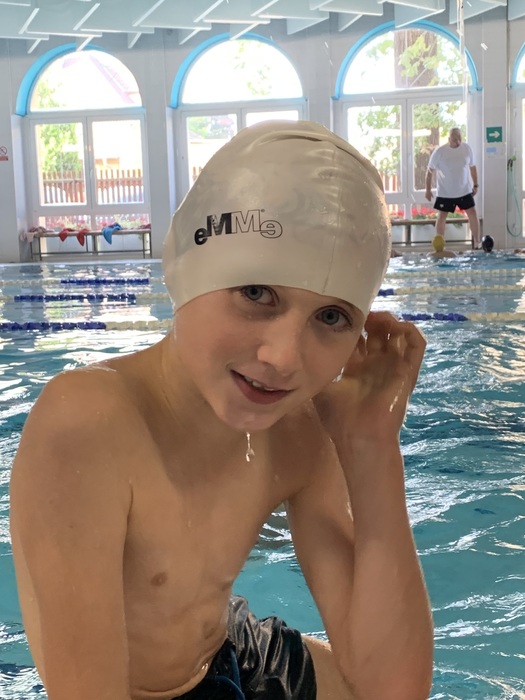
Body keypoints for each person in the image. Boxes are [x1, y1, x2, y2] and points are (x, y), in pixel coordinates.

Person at [9, 121, 433, 700]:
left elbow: (393, 689)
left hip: (231, 647)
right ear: (187, 268)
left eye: (331, 317)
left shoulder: (296, 431)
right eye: (256, 293)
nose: (284, 358)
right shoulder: (88, 425)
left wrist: (372, 446)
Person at [425, 127, 481, 249]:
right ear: (449, 139)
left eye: (460, 138)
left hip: (464, 190)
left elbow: (472, 167)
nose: (458, 142)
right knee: (442, 216)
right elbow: (429, 171)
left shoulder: (467, 149)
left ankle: (477, 242)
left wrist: (476, 184)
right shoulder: (440, 152)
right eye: (455, 139)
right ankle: (439, 246)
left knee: (472, 213)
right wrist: (428, 190)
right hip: (445, 192)